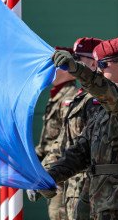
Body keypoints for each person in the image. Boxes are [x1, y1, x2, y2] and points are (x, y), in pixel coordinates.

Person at [40, 37, 118, 219]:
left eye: (103, 64)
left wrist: (77, 69)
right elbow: (80, 151)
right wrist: (48, 177)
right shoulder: (103, 108)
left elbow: (112, 93)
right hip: (100, 204)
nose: (98, 69)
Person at [31, 46, 78, 220]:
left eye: (56, 65)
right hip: (51, 173)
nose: (51, 69)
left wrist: (43, 171)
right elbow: (47, 141)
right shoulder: (56, 96)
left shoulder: (70, 98)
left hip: (61, 174)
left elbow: (64, 141)